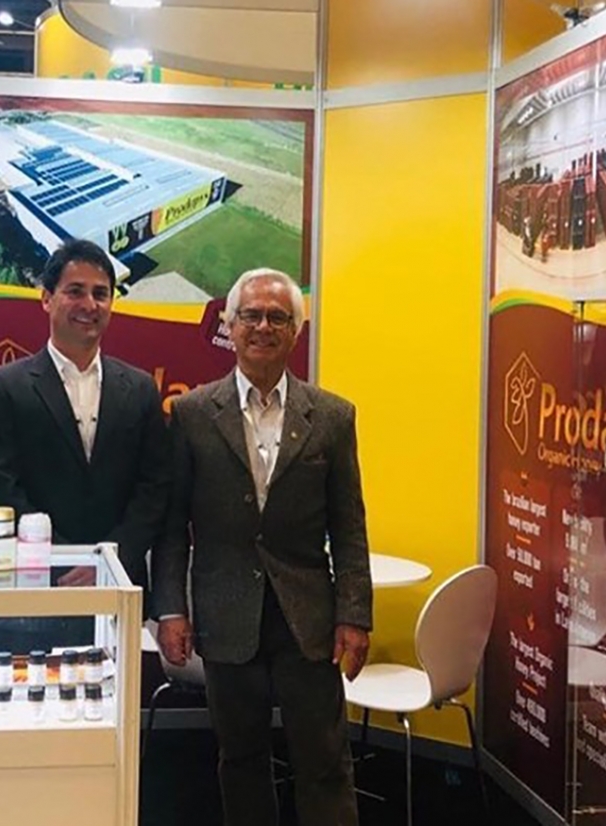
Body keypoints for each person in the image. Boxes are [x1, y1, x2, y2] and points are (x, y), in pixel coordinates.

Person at [152, 268, 373, 826]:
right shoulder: (193, 414)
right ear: (229, 326)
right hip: (225, 612)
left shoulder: (332, 416)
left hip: (308, 620)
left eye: (278, 317)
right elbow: (173, 525)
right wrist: (171, 610)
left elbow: (349, 526)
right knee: (241, 759)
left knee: (324, 761)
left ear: (296, 330)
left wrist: (354, 615)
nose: (263, 327)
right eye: (250, 315)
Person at [0, 237, 171, 589]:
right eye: (75, 291)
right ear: (46, 298)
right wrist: (65, 561)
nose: (89, 304)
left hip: (120, 584)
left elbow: (154, 489)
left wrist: (110, 560)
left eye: (100, 294)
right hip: (36, 584)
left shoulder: (140, 389)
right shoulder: (3, 388)